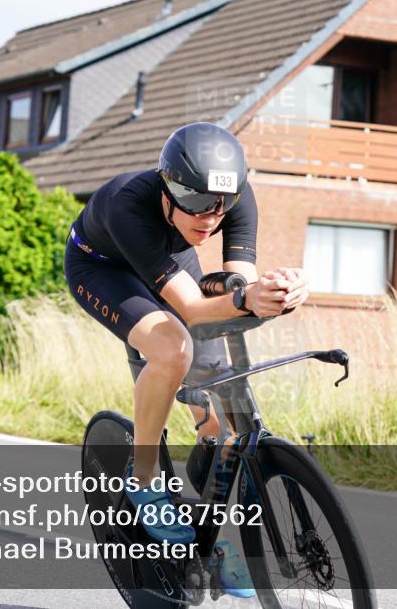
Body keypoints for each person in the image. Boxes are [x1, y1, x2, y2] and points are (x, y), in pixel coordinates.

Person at [64, 121, 309, 597]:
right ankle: (144, 480)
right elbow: (195, 308)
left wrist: (278, 291)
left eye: (222, 206)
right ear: (169, 185)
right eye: (196, 202)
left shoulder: (230, 198)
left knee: (215, 382)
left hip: (170, 258)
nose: (210, 218)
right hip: (103, 267)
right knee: (173, 348)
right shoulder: (129, 204)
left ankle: (205, 464)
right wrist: (245, 301)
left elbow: (236, 288)